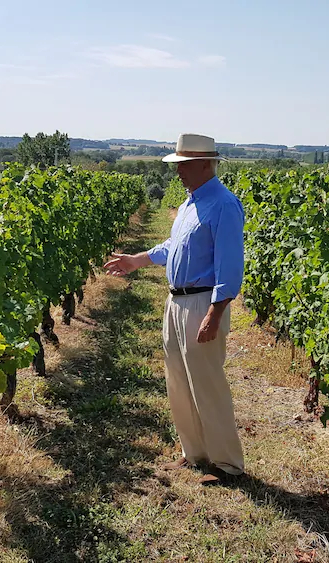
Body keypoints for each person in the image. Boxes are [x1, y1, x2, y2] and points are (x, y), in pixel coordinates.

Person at [104, 133, 245, 486]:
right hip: (176, 301)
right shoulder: (188, 205)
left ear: (203, 164)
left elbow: (230, 267)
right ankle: (195, 453)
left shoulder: (224, 205)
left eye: (182, 165)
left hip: (201, 303)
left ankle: (227, 464)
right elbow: (173, 247)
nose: (177, 172)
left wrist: (215, 313)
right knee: (179, 381)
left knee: (207, 384)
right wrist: (138, 260)